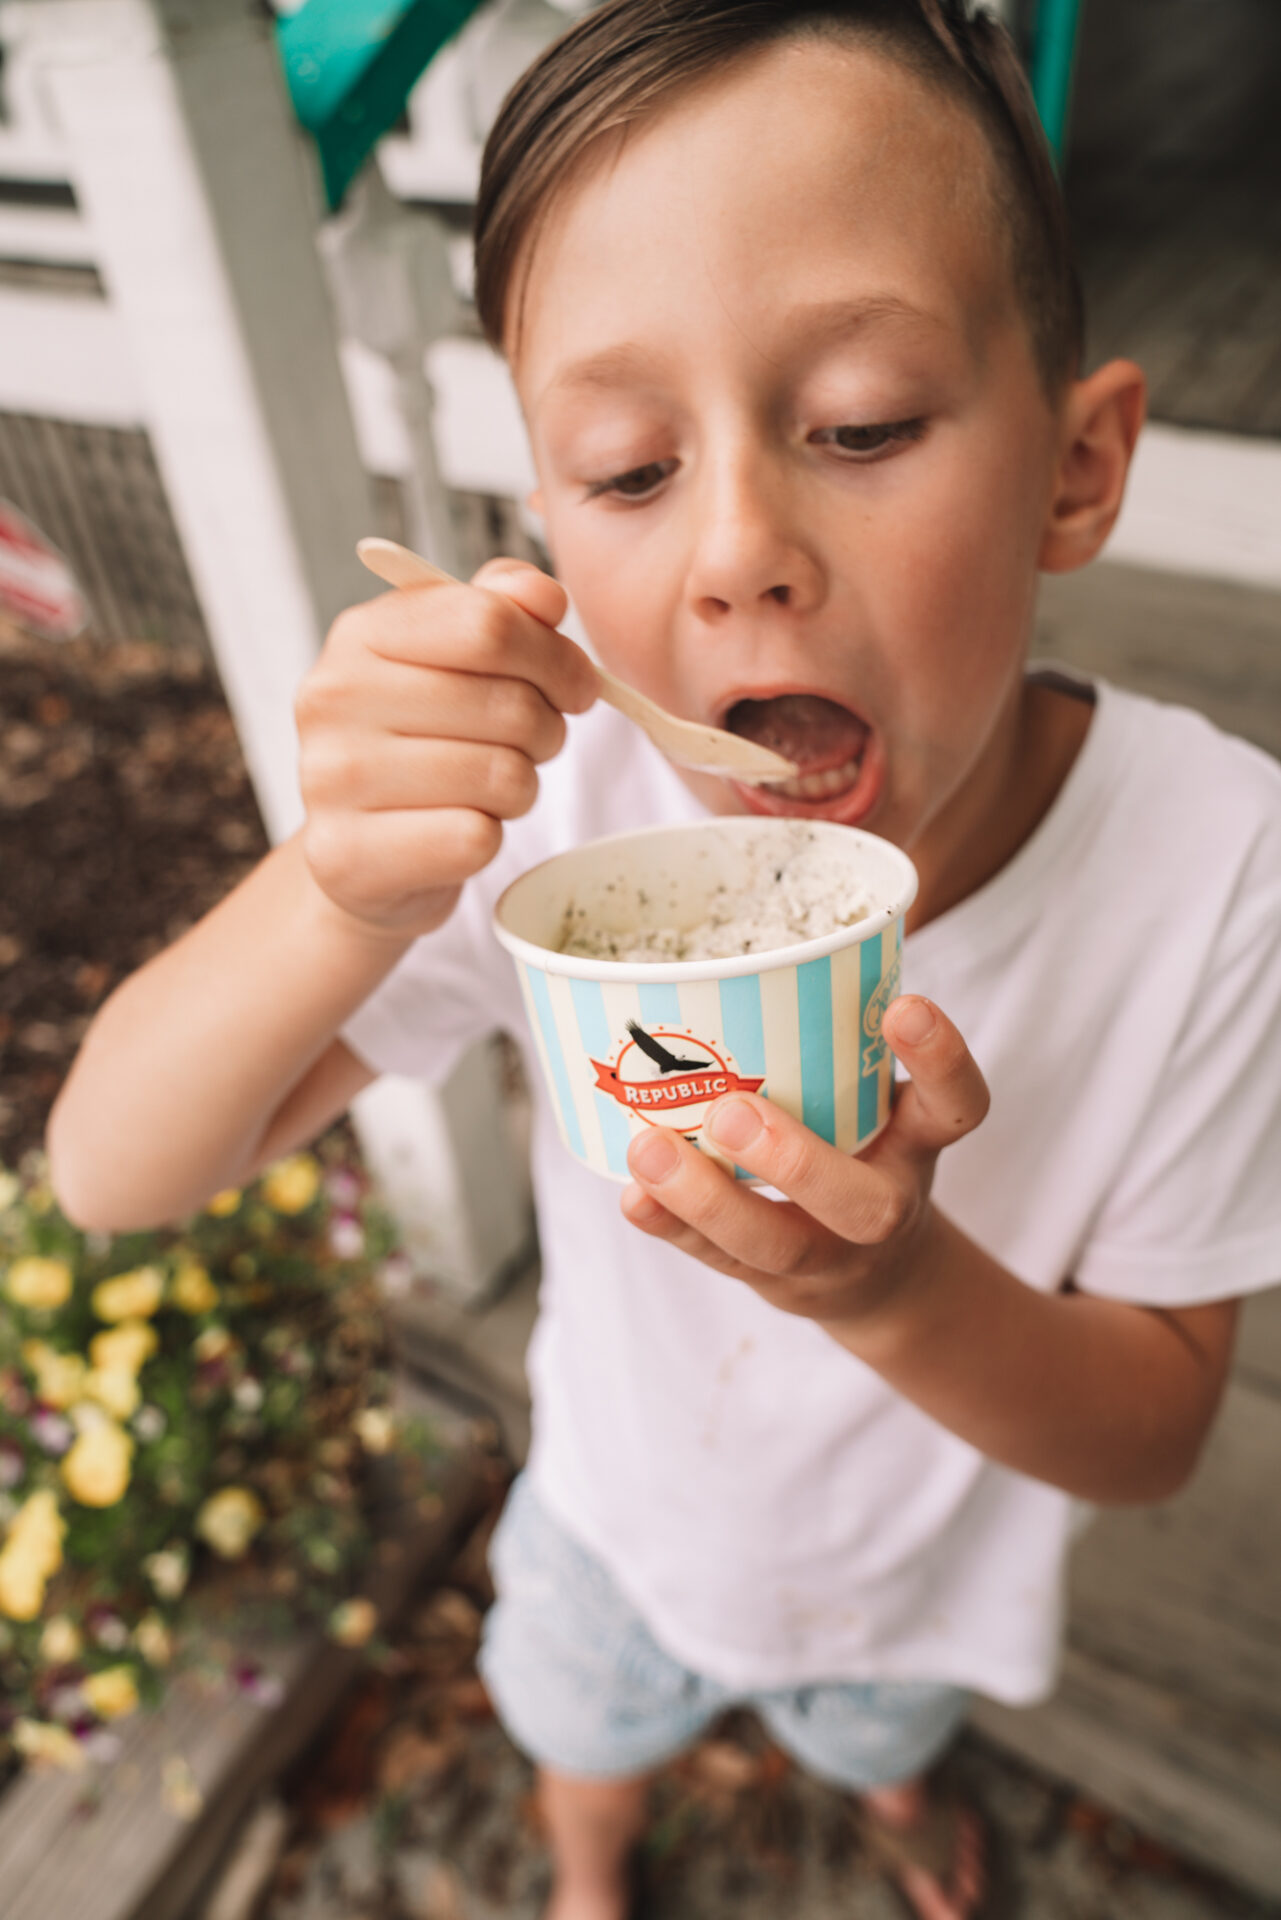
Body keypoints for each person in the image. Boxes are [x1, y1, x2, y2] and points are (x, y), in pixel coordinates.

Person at [48, 2, 1281, 1915]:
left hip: (908, 1582)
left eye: (860, 424)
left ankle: (874, 1804)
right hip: (614, 1527)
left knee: (869, 1737)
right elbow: (113, 1170)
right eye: (625, 470)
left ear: (1074, 466)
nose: (734, 551)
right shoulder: (558, 815)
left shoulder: (1215, 873)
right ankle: (586, 1868)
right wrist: (341, 895)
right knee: (581, 1735)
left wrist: (890, 1297)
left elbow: (1151, 1430)